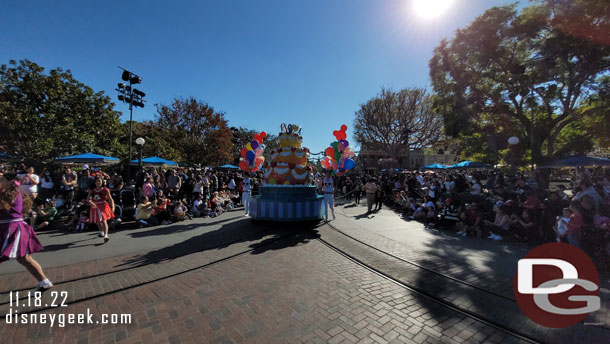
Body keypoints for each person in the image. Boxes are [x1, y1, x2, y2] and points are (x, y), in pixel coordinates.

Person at [0, 173, 53, 291]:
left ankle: (45, 281)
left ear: (10, 182)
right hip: (9, 227)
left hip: (12, 229)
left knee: (24, 258)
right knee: (24, 258)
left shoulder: (12, 193)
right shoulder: (8, 192)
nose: (0, 181)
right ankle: (44, 281)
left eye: (2, 179)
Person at [88, 177, 115, 243]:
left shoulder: (105, 190)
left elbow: (110, 199)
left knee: (103, 220)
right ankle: (101, 232)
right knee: (97, 222)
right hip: (95, 206)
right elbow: (88, 199)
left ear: (102, 182)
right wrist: (91, 203)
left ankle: (106, 235)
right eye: (97, 181)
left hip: (103, 206)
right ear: (95, 182)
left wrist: (113, 207)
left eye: (100, 181)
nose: (98, 182)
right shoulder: (92, 190)